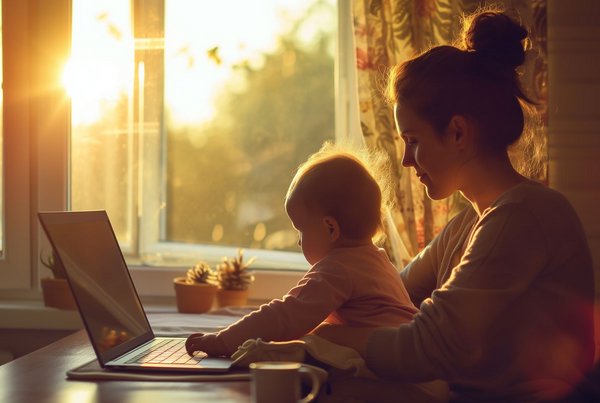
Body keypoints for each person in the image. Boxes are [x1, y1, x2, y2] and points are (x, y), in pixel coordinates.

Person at [312, 9, 596, 402]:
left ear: (458, 132)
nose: (407, 161)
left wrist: (320, 337)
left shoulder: (524, 216)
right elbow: (392, 296)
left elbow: (423, 349)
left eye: (412, 140)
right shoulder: (471, 223)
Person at [185, 145, 419, 357]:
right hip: (418, 365)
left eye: (301, 230)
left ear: (330, 228)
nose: (299, 242)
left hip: (396, 376)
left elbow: (283, 316)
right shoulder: (377, 260)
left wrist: (222, 341)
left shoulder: (339, 268)